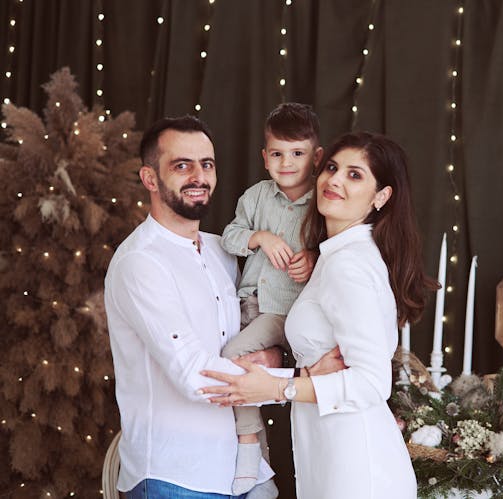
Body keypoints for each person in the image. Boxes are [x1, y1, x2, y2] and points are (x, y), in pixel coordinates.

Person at [105, 115, 342, 498]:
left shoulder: (223, 252)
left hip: (241, 467)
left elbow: (259, 327)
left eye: (207, 164)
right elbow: (194, 375)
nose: (198, 176)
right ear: (150, 178)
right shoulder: (141, 262)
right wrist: (307, 382)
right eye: (181, 165)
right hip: (174, 475)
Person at [199, 131, 439, 499]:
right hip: (329, 453)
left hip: (357, 465)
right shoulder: (332, 258)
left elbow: (373, 383)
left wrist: (278, 387)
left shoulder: (350, 265)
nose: (335, 180)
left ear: (381, 197)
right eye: (332, 168)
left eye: (355, 175)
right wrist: (293, 372)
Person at [219, 103, 322, 494]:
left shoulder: (321, 204)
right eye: (277, 154)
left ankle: (249, 446)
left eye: (297, 154)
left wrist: (312, 259)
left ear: (317, 157)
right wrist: (259, 237)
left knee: (231, 359)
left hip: (283, 311)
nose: (287, 163)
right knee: (241, 375)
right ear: (265, 158)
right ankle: (259, 470)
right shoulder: (257, 197)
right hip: (246, 305)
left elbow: (331, 252)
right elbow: (230, 235)